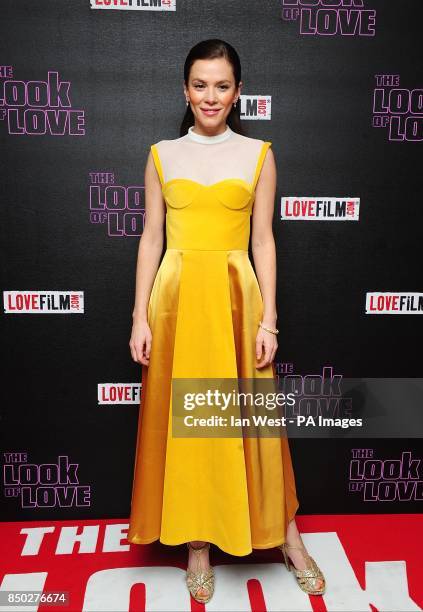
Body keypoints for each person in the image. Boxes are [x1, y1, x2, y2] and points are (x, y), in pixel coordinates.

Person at [127, 39, 326, 603]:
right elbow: (150, 237)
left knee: (254, 422)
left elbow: (264, 240)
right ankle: (197, 545)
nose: (210, 96)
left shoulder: (259, 153)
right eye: (199, 84)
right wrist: (139, 315)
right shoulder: (162, 153)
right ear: (184, 90)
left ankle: (287, 537)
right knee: (188, 423)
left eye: (221, 85)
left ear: (238, 92)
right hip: (178, 300)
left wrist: (270, 322)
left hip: (240, 302)